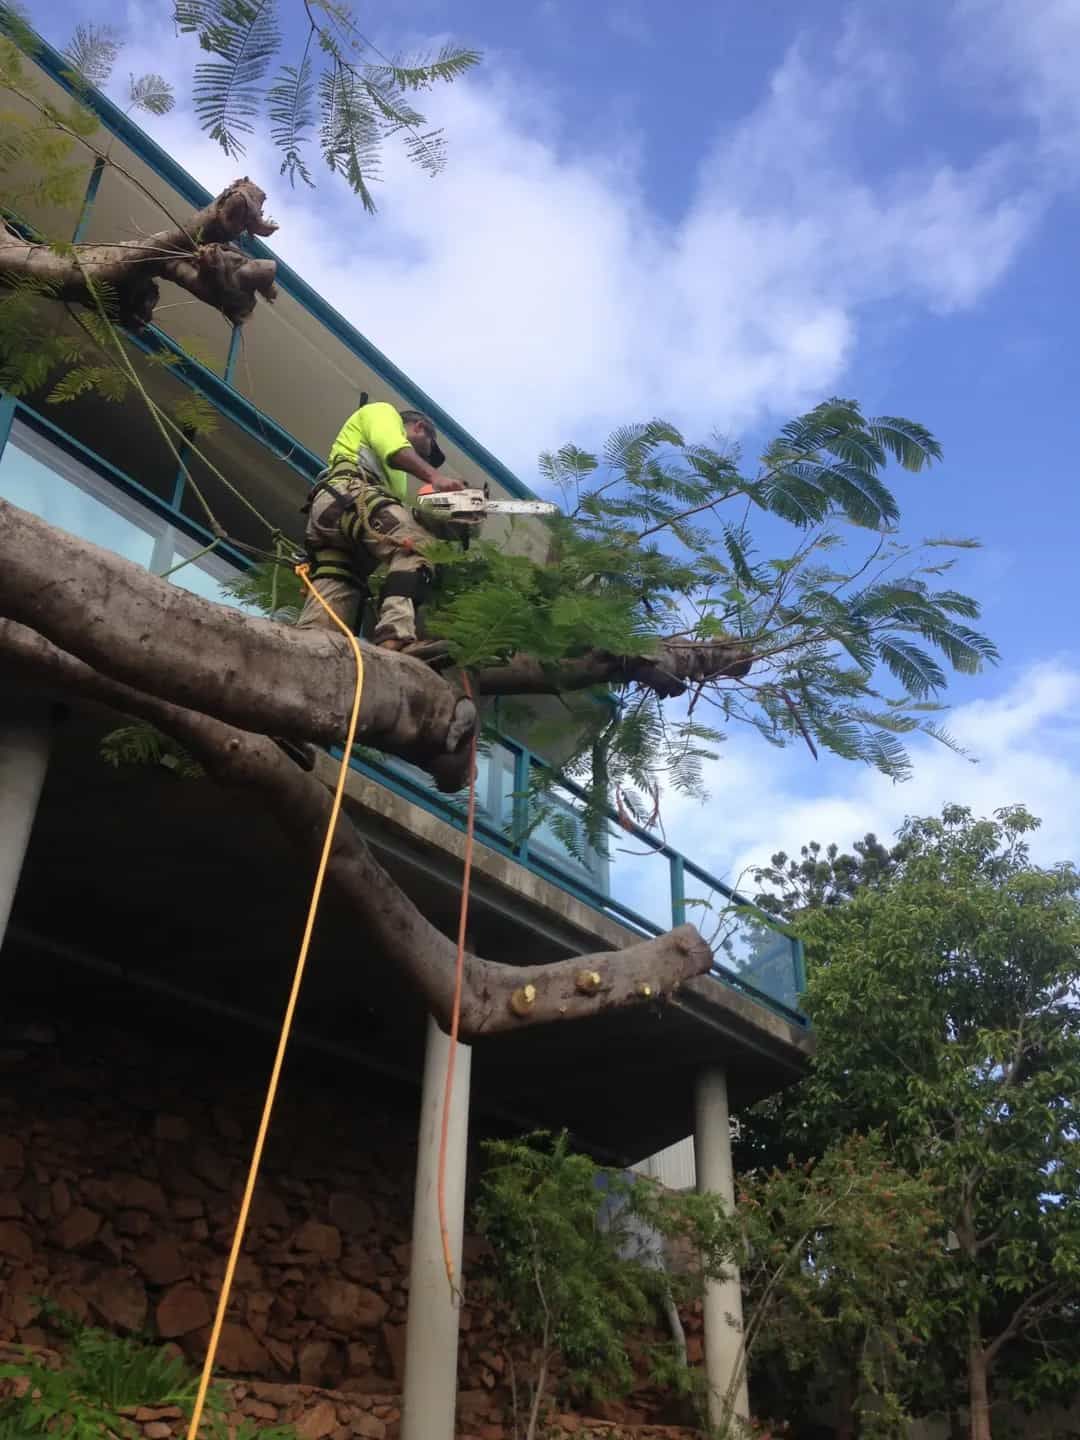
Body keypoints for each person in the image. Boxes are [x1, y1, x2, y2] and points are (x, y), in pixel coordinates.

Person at [295, 400, 466, 653]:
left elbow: (396, 518)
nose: (426, 457)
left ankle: (304, 650)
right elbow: (395, 451)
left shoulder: (397, 479)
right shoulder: (383, 413)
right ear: (419, 427)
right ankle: (394, 634)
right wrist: (436, 477)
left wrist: (448, 518)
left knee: (338, 590)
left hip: (337, 517)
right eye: (429, 449)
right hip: (348, 497)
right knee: (418, 545)